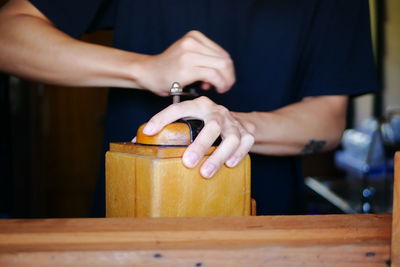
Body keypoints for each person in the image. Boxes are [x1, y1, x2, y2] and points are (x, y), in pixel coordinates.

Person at [0, 0, 377, 215]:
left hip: (267, 227)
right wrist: (143, 69)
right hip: (135, 218)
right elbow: (9, 34)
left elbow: (328, 121)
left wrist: (234, 126)